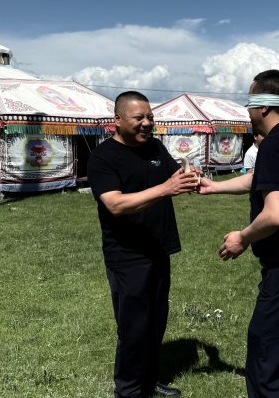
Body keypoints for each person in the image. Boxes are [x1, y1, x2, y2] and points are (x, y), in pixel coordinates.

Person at [198, 70, 279, 397]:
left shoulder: (274, 144)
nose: (247, 110)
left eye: (249, 102)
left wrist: (242, 238)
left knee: (265, 363)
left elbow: (274, 215)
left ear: (264, 107)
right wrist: (213, 187)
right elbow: (259, 178)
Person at [88, 91, 198, 398]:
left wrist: (189, 176)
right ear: (118, 119)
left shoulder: (154, 146)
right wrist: (165, 188)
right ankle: (128, 390)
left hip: (158, 247)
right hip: (127, 254)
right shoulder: (103, 157)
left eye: (150, 117)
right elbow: (115, 204)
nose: (147, 123)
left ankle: (149, 381)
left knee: (155, 322)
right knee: (133, 327)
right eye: (139, 118)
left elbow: (174, 175)